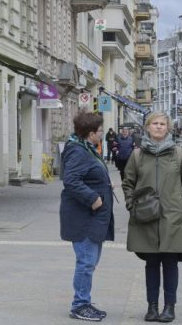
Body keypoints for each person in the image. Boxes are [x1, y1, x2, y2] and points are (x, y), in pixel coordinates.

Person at [122, 111, 182, 323]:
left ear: (168, 128)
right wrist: (132, 204)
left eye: (162, 124)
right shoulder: (137, 155)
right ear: (147, 127)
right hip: (146, 218)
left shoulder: (179, 154)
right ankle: (152, 307)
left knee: (171, 263)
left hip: (172, 218)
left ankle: (169, 307)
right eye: (154, 123)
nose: (158, 127)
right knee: (151, 264)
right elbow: (128, 183)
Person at [60, 111, 114, 322]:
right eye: (100, 131)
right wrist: (93, 198)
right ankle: (80, 305)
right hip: (83, 217)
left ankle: (84, 301)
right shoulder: (78, 151)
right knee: (86, 262)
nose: (102, 134)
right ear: (91, 133)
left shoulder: (86, 148)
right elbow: (71, 180)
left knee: (89, 262)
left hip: (92, 216)